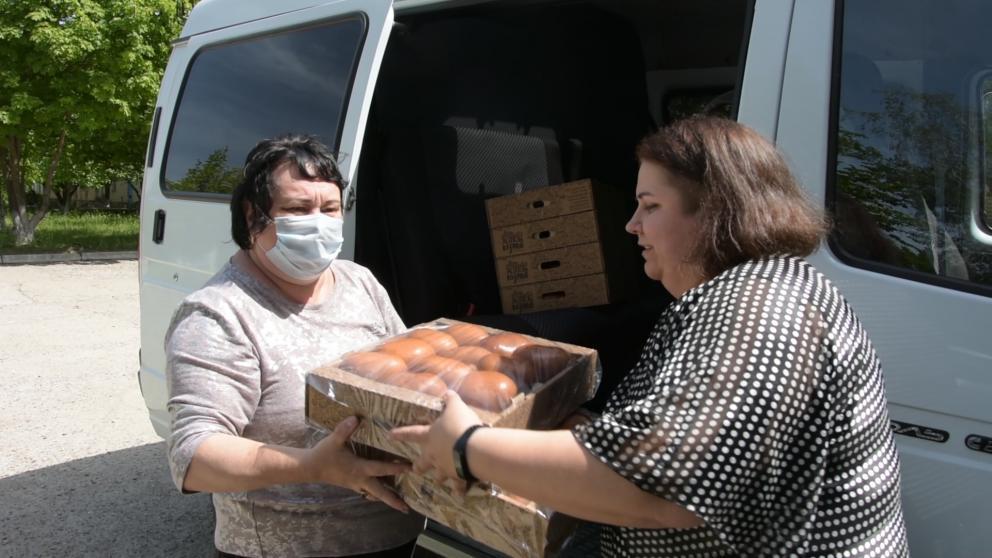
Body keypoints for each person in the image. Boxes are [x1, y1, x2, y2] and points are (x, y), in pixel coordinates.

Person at [393, 116, 910, 557]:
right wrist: (588, 429)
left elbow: (665, 486)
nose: (631, 226)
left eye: (650, 206)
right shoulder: (749, 290)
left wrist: (466, 446)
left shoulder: (759, 311)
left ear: (714, 212)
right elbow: (686, 434)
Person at [165, 134, 424, 558]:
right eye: (298, 210)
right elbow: (193, 456)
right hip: (289, 547)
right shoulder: (218, 315)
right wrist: (311, 466)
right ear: (253, 217)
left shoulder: (360, 283)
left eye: (330, 209)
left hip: (395, 533)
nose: (319, 223)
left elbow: (405, 371)